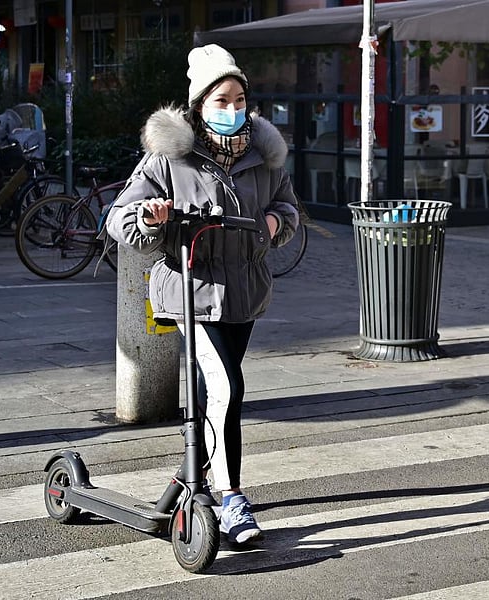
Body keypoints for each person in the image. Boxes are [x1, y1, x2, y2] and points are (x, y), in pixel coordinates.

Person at [105, 44, 300, 545]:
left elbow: (287, 207)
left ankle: (196, 478)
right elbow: (120, 217)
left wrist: (277, 222)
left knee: (219, 396)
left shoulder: (264, 153)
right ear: (198, 106)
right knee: (227, 389)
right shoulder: (169, 156)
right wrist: (149, 218)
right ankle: (231, 498)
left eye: (239, 99)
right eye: (220, 101)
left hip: (245, 294)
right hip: (191, 292)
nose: (232, 110)